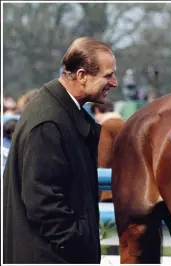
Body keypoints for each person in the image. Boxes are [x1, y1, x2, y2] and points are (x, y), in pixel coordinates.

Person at [3, 37, 118, 263]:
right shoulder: (48, 123)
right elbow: (44, 206)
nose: (114, 82)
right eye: (108, 75)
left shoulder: (56, 113)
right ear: (82, 75)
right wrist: (81, 243)